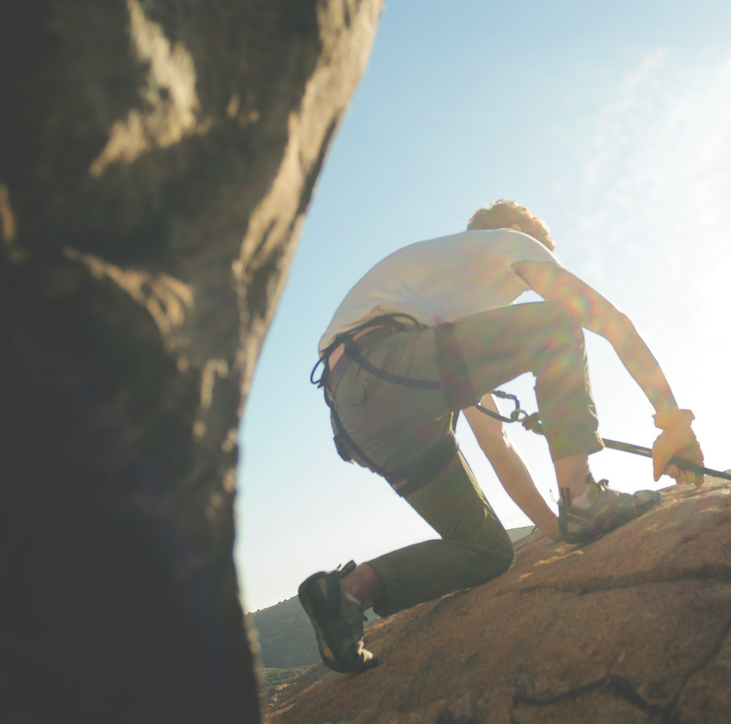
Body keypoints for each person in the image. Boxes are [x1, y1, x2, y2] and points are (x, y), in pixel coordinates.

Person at [300, 201, 702, 673]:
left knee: (486, 551)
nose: (527, 285)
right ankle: (586, 498)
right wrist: (673, 422)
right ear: (514, 232)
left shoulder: (438, 303)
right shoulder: (508, 242)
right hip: (386, 365)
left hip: (358, 415)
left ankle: (347, 593)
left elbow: (500, 448)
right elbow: (609, 321)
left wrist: (558, 534)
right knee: (558, 323)